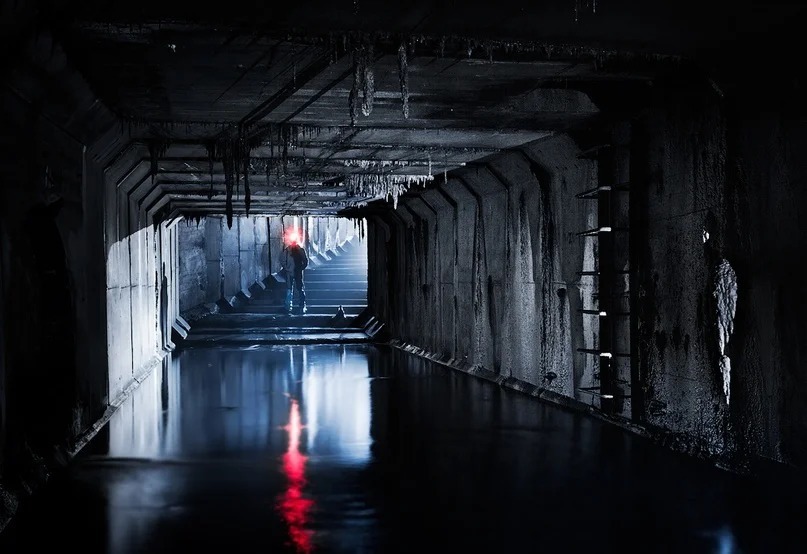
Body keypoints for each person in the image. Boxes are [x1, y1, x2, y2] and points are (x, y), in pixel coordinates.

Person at [279, 229, 309, 314]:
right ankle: (288, 306)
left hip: (297, 272)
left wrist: (301, 268)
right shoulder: (287, 251)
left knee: (299, 289)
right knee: (289, 290)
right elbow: (282, 260)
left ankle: (301, 306)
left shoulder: (300, 250)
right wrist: (287, 268)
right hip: (290, 272)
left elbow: (305, 261)